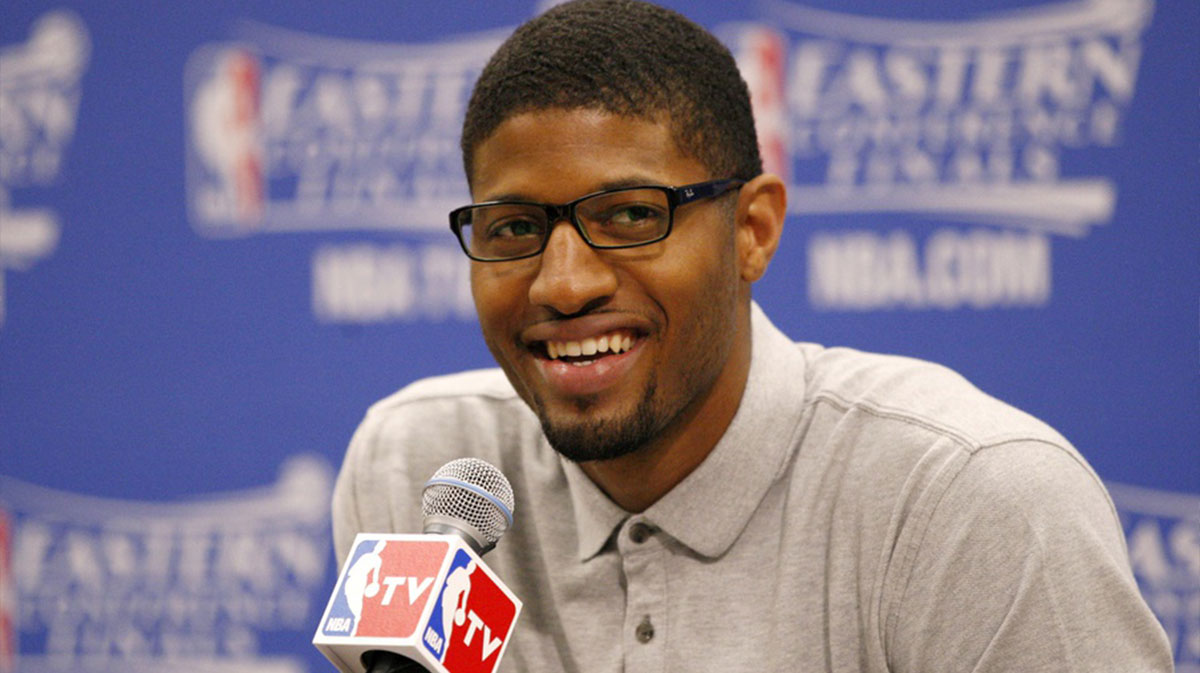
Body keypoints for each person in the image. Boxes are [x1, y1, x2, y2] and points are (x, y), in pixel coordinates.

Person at [331, 1, 1173, 670]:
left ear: (753, 230)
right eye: (513, 228)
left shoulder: (972, 502)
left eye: (629, 215)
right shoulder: (423, 470)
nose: (564, 282)